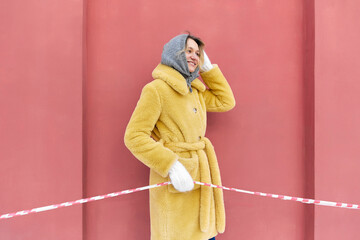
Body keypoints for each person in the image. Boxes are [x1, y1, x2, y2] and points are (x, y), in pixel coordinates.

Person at [124, 33, 236, 240]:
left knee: (205, 235)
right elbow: (134, 136)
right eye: (189, 51)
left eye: (198, 53)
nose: (195, 56)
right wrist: (171, 166)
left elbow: (226, 101)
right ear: (174, 54)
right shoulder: (156, 90)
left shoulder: (196, 91)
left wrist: (208, 70)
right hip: (175, 179)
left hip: (201, 176)